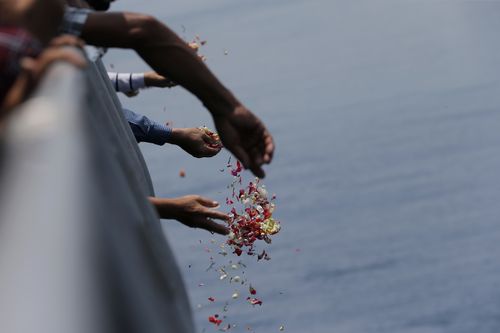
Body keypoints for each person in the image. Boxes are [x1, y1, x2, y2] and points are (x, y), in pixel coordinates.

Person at [62, 0, 274, 178]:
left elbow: (96, 84)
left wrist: (144, 80)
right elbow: (144, 31)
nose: (113, 2)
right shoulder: (44, 23)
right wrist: (227, 109)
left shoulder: (55, 31)